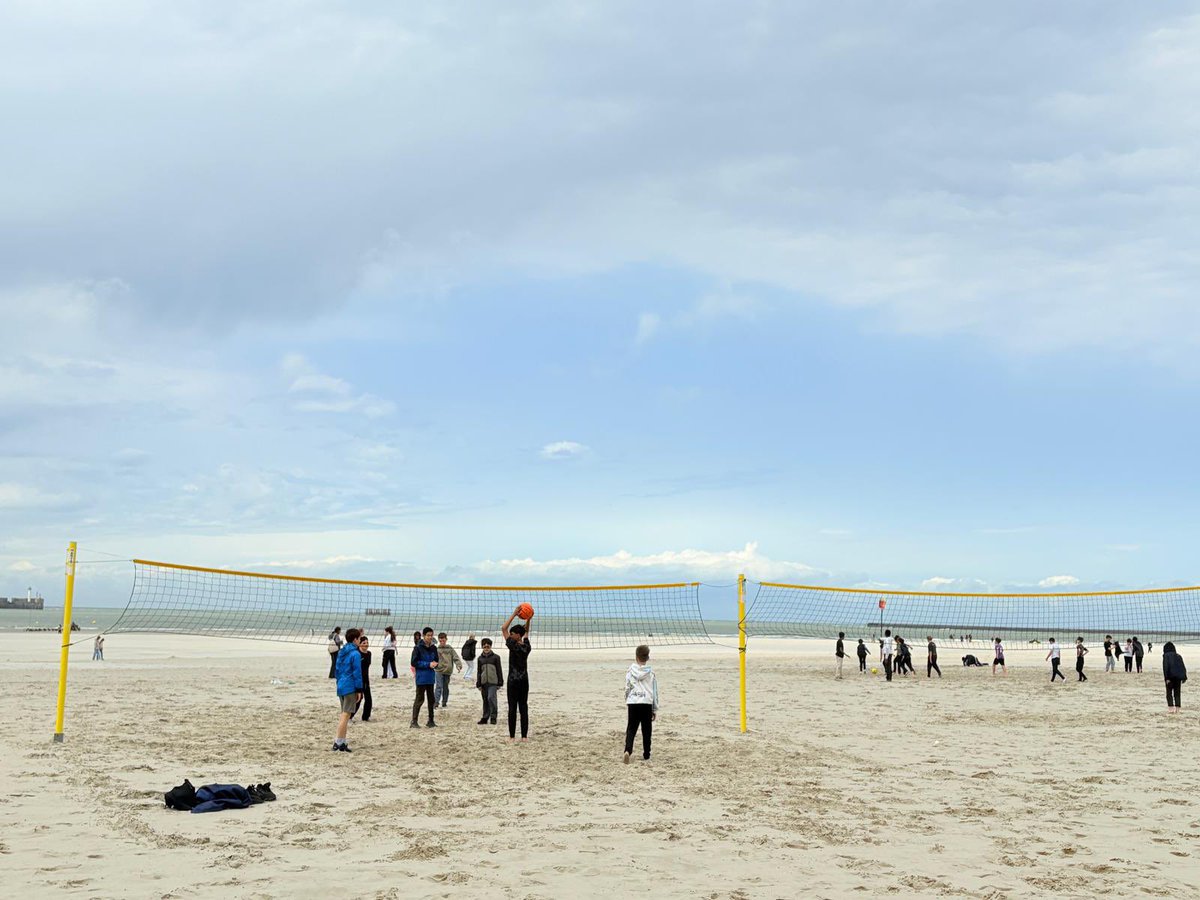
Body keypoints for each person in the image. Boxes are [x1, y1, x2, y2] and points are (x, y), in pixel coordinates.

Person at [501, 605, 533, 741]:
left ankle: (512, 736)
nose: (511, 635)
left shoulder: (512, 645)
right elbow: (526, 632)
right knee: (523, 707)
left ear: (517, 635)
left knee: (513, 708)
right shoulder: (527, 646)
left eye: (513, 633)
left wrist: (514, 613)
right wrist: (529, 618)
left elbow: (503, 628)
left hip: (513, 681)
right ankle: (524, 737)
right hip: (524, 680)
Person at [623, 644, 659, 763]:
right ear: (647, 658)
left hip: (633, 702)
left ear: (636, 657)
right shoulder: (651, 673)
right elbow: (654, 692)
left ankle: (628, 750)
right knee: (646, 730)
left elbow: (627, 687)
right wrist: (654, 708)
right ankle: (646, 754)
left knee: (631, 728)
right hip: (646, 703)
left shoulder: (629, 671)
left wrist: (627, 699)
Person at [332, 627, 363, 752]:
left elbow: (337, 670)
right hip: (350, 686)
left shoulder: (342, 651)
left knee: (345, 714)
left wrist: (339, 683)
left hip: (341, 685)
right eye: (360, 638)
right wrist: (359, 689)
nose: (360, 640)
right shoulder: (355, 653)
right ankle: (338, 742)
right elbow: (357, 672)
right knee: (345, 715)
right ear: (355, 639)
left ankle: (342, 742)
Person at [410, 627, 440, 728]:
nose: (430, 637)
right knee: (419, 699)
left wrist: (436, 664)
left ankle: (431, 721)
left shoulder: (433, 648)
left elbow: (436, 660)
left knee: (431, 699)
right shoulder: (418, 647)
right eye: (428, 635)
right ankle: (414, 722)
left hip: (430, 678)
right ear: (424, 636)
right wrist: (428, 664)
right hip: (421, 678)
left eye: (431, 635)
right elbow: (414, 662)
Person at [476, 637, 503, 724]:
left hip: (493, 682)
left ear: (490, 647)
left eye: (488, 646)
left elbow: (499, 670)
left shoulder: (496, 657)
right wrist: (478, 683)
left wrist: (500, 681)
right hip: (484, 683)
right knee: (485, 700)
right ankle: (485, 717)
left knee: (491, 698)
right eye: (484, 647)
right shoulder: (480, 659)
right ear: (482, 647)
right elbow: (479, 672)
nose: (486, 648)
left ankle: (493, 717)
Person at [434, 632, 463, 707]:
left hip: (447, 671)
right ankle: (436, 702)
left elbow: (455, 657)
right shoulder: (437, 649)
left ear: (446, 639)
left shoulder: (449, 648)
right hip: (439, 670)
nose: (442, 642)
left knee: (445, 687)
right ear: (439, 640)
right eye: (440, 641)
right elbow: (433, 659)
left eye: (443, 640)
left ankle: (444, 702)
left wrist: (458, 665)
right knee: (438, 686)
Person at [352, 634, 373, 721]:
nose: (366, 644)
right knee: (358, 699)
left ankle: (365, 717)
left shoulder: (369, 654)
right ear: (360, 644)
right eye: (364, 643)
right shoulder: (357, 653)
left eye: (367, 643)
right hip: (358, 679)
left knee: (369, 700)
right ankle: (350, 716)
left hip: (366, 679)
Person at [1162, 641, 1187, 712]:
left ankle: (1171, 708)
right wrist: (1184, 677)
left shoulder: (1166, 656)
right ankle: (1177, 709)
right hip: (1178, 677)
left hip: (1170, 677)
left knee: (1169, 693)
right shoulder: (1178, 656)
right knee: (1177, 693)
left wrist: (1166, 678)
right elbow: (1182, 667)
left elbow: (1165, 667)